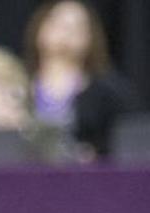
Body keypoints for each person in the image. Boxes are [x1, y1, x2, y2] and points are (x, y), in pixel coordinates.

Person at [23, 0, 140, 158]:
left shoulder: (110, 94)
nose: (66, 31)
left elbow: (132, 143)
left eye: (76, 26)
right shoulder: (17, 85)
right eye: (58, 22)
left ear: (90, 37)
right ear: (40, 27)